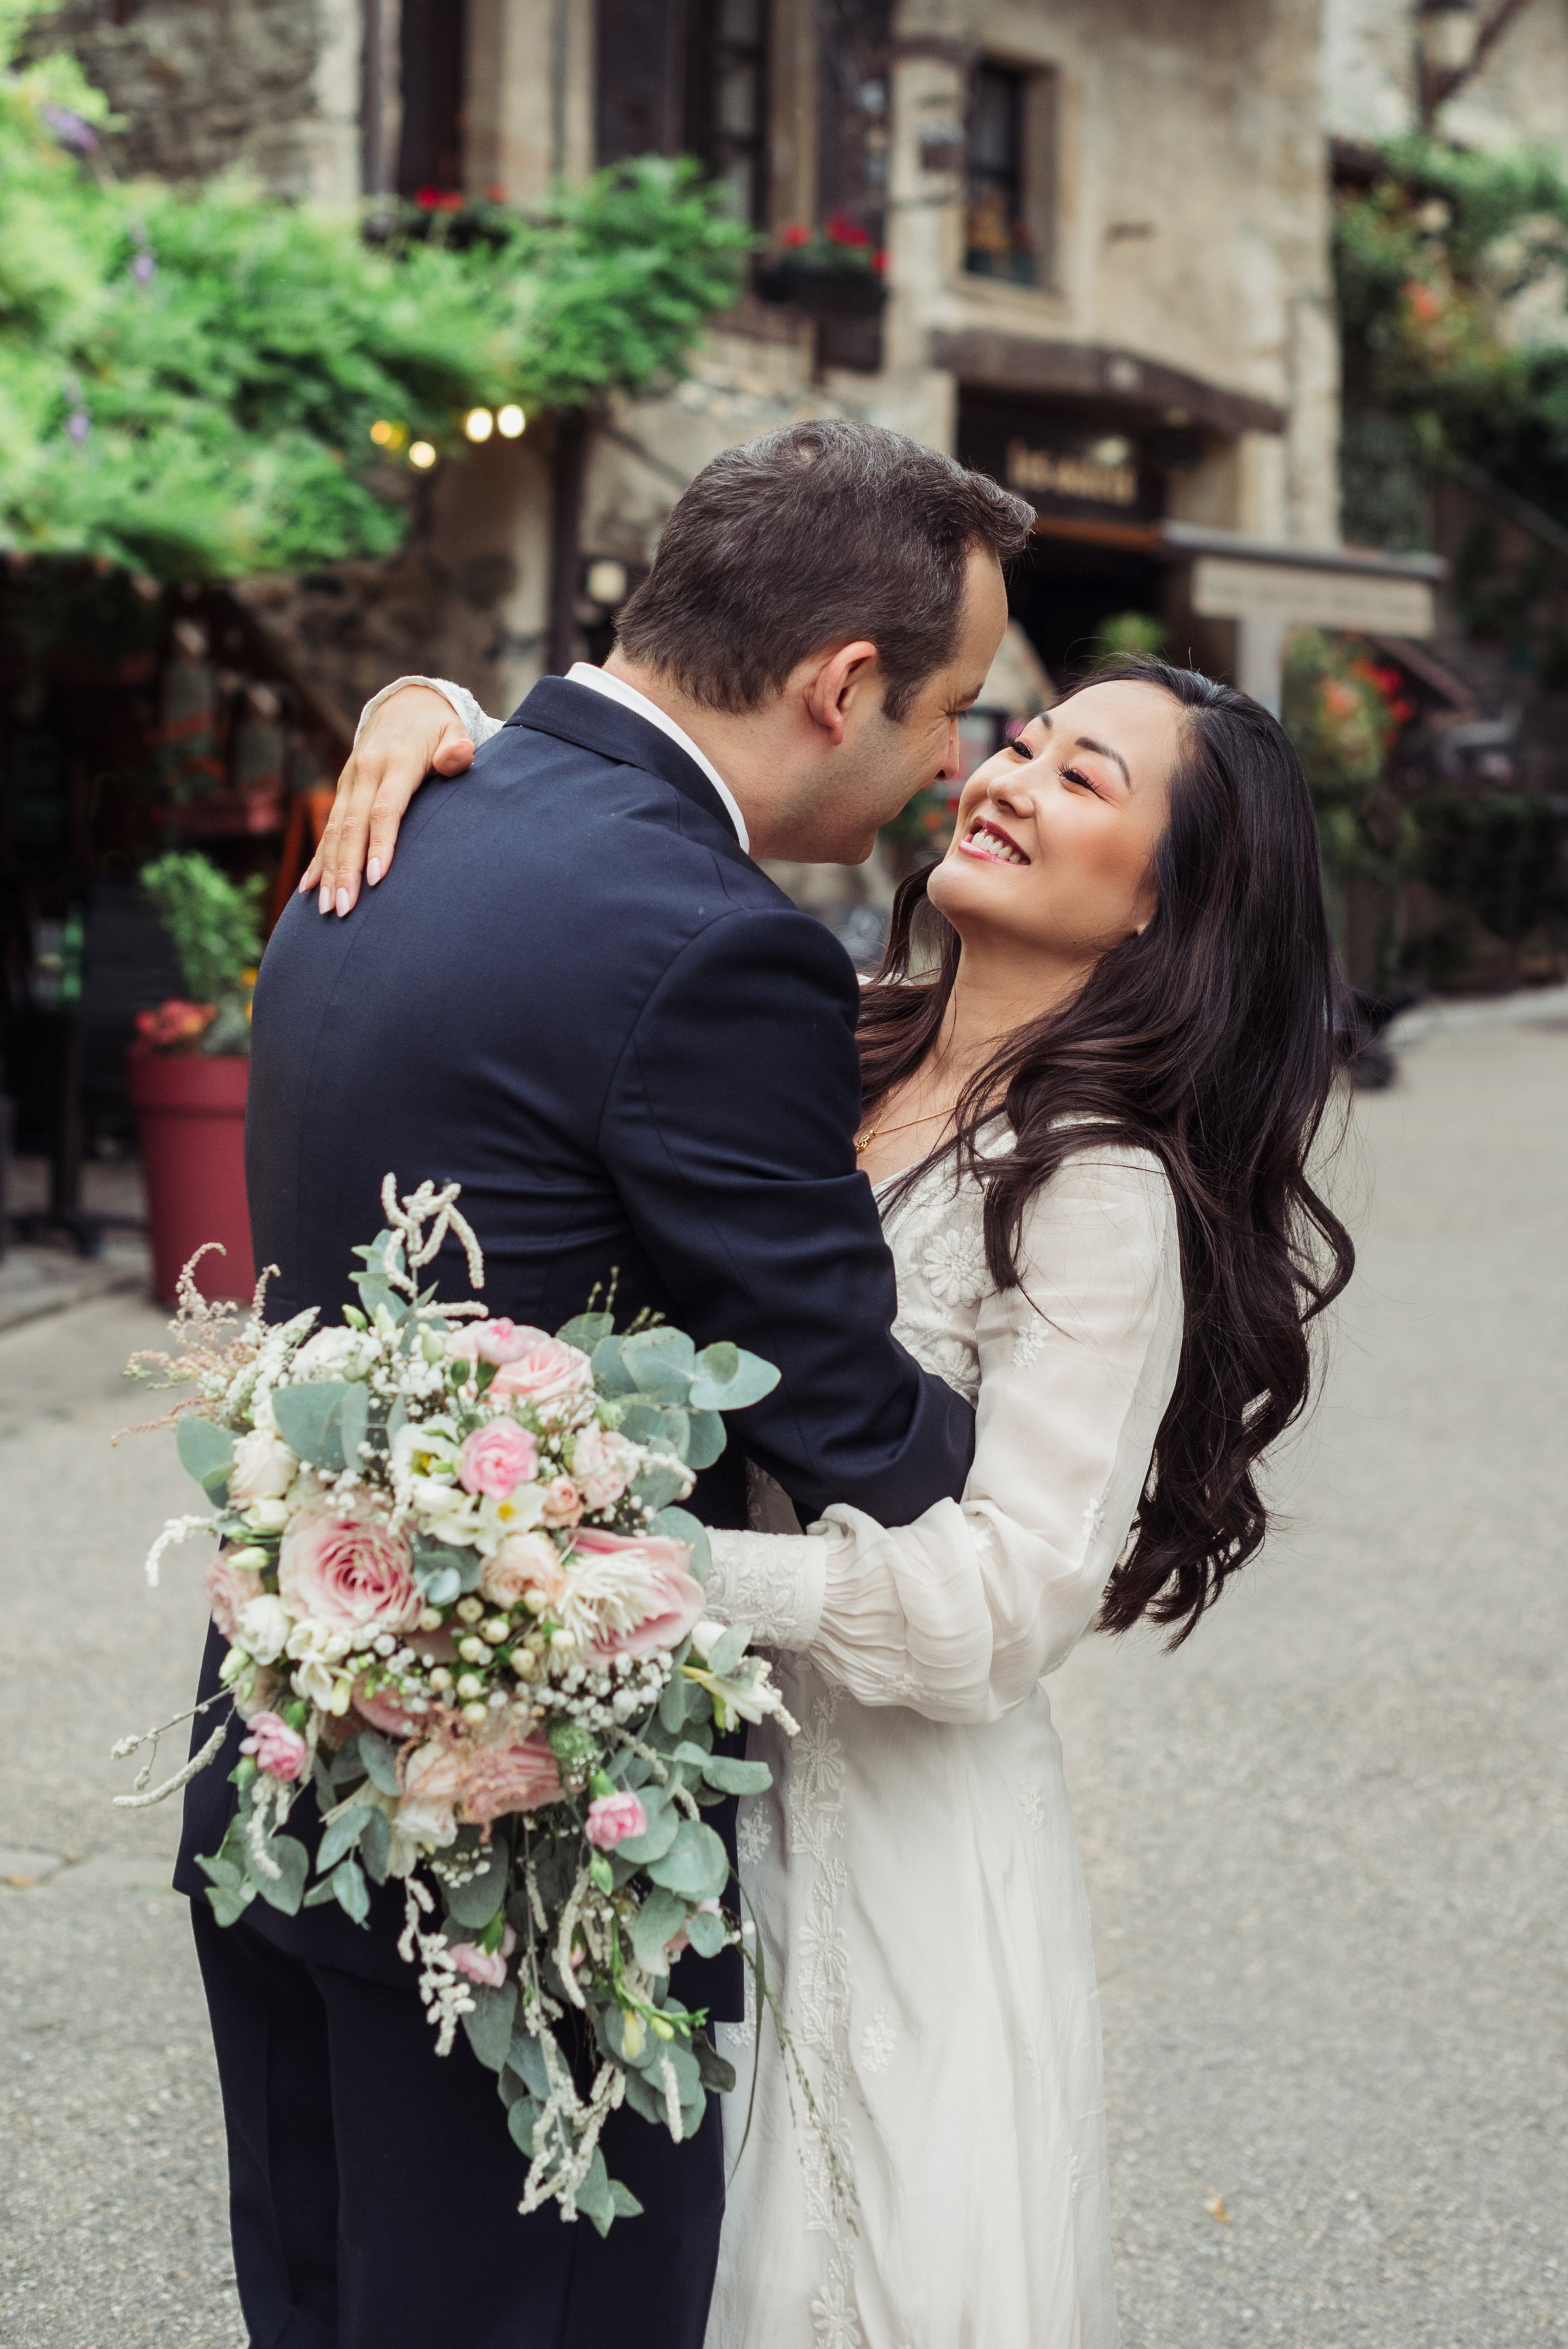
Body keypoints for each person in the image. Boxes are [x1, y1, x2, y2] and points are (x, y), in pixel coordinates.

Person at [326, 646, 1354, 2343]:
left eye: (1081, 777)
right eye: (1018, 738)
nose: (1005, 772)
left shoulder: (1098, 1191)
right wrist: (430, 704)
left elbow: (1008, 1606)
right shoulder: (832, 1044)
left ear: (1168, 912)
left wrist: (671, 1575)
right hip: (670, 1799)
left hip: (892, 1838)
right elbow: (614, 785)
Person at [180, 419, 1036, 2349]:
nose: (955, 764)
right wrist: (1058, 1444)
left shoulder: (399, 809)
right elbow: (850, 1427)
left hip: (284, 1760)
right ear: (842, 686)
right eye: (953, 710)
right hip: (523, 1845)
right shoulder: (715, 944)